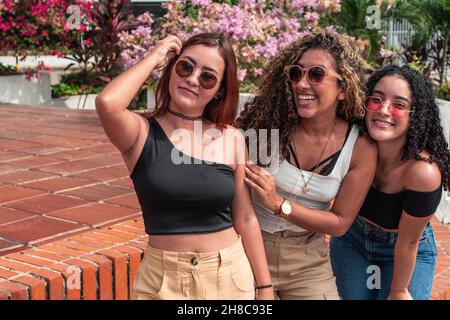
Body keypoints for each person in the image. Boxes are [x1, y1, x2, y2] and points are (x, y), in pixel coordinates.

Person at [95, 33, 273, 300]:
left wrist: (265, 289)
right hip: (162, 282)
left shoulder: (232, 138)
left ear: (219, 91)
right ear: (172, 69)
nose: (192, 79)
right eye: (185, 67)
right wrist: (155, 57)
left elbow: (245, 218)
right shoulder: (141, 133)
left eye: (207, 77)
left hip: (229, 278)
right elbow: (107, 103)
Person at [235, 31, 377, 300]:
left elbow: (339, 223)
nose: (301, 84)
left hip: (307, 261)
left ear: (344, 88)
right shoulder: (266, 127)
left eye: (316, 74)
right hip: (249, 248)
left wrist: (279, 204)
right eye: (296, 73)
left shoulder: (360, 147)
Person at [330, 65, 450, 300]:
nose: (384, 110)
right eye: (376, 100)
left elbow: (408, 242)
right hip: (352, 241)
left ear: (415, 114)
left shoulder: (422, 172)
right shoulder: (353, 144)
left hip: (404, 248)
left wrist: (398, 290)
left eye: (399, 105)